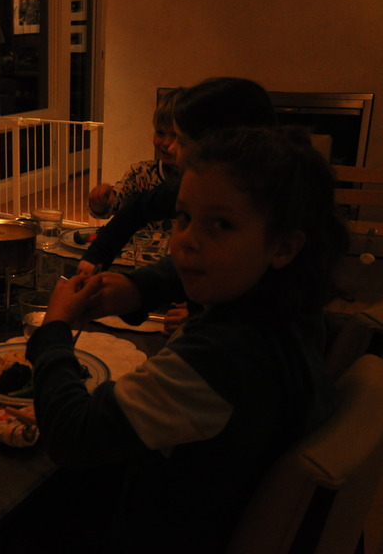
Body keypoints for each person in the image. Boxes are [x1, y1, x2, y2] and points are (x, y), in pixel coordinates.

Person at [27, 126, 348, 553]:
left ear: (283, 246)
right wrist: (137, 288)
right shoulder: (295, 308)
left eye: (221, 224)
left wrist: (54, 330)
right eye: (183, 217)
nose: (187, 242)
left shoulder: (219, 358)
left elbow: (71, 436)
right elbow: (184, 267)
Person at [77, 77, 278, 274]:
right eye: (161, 133)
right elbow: (137, 210)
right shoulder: (195, 182)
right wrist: (102, 261)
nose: (170, 147)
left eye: (181, 140)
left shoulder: (256, 203)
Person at [87, 87, 182, 229]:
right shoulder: (141, 174)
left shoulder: (200, 181)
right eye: (160, 133)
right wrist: (100, 202)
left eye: (175, 135)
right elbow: (115, 202)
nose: (166, 143)